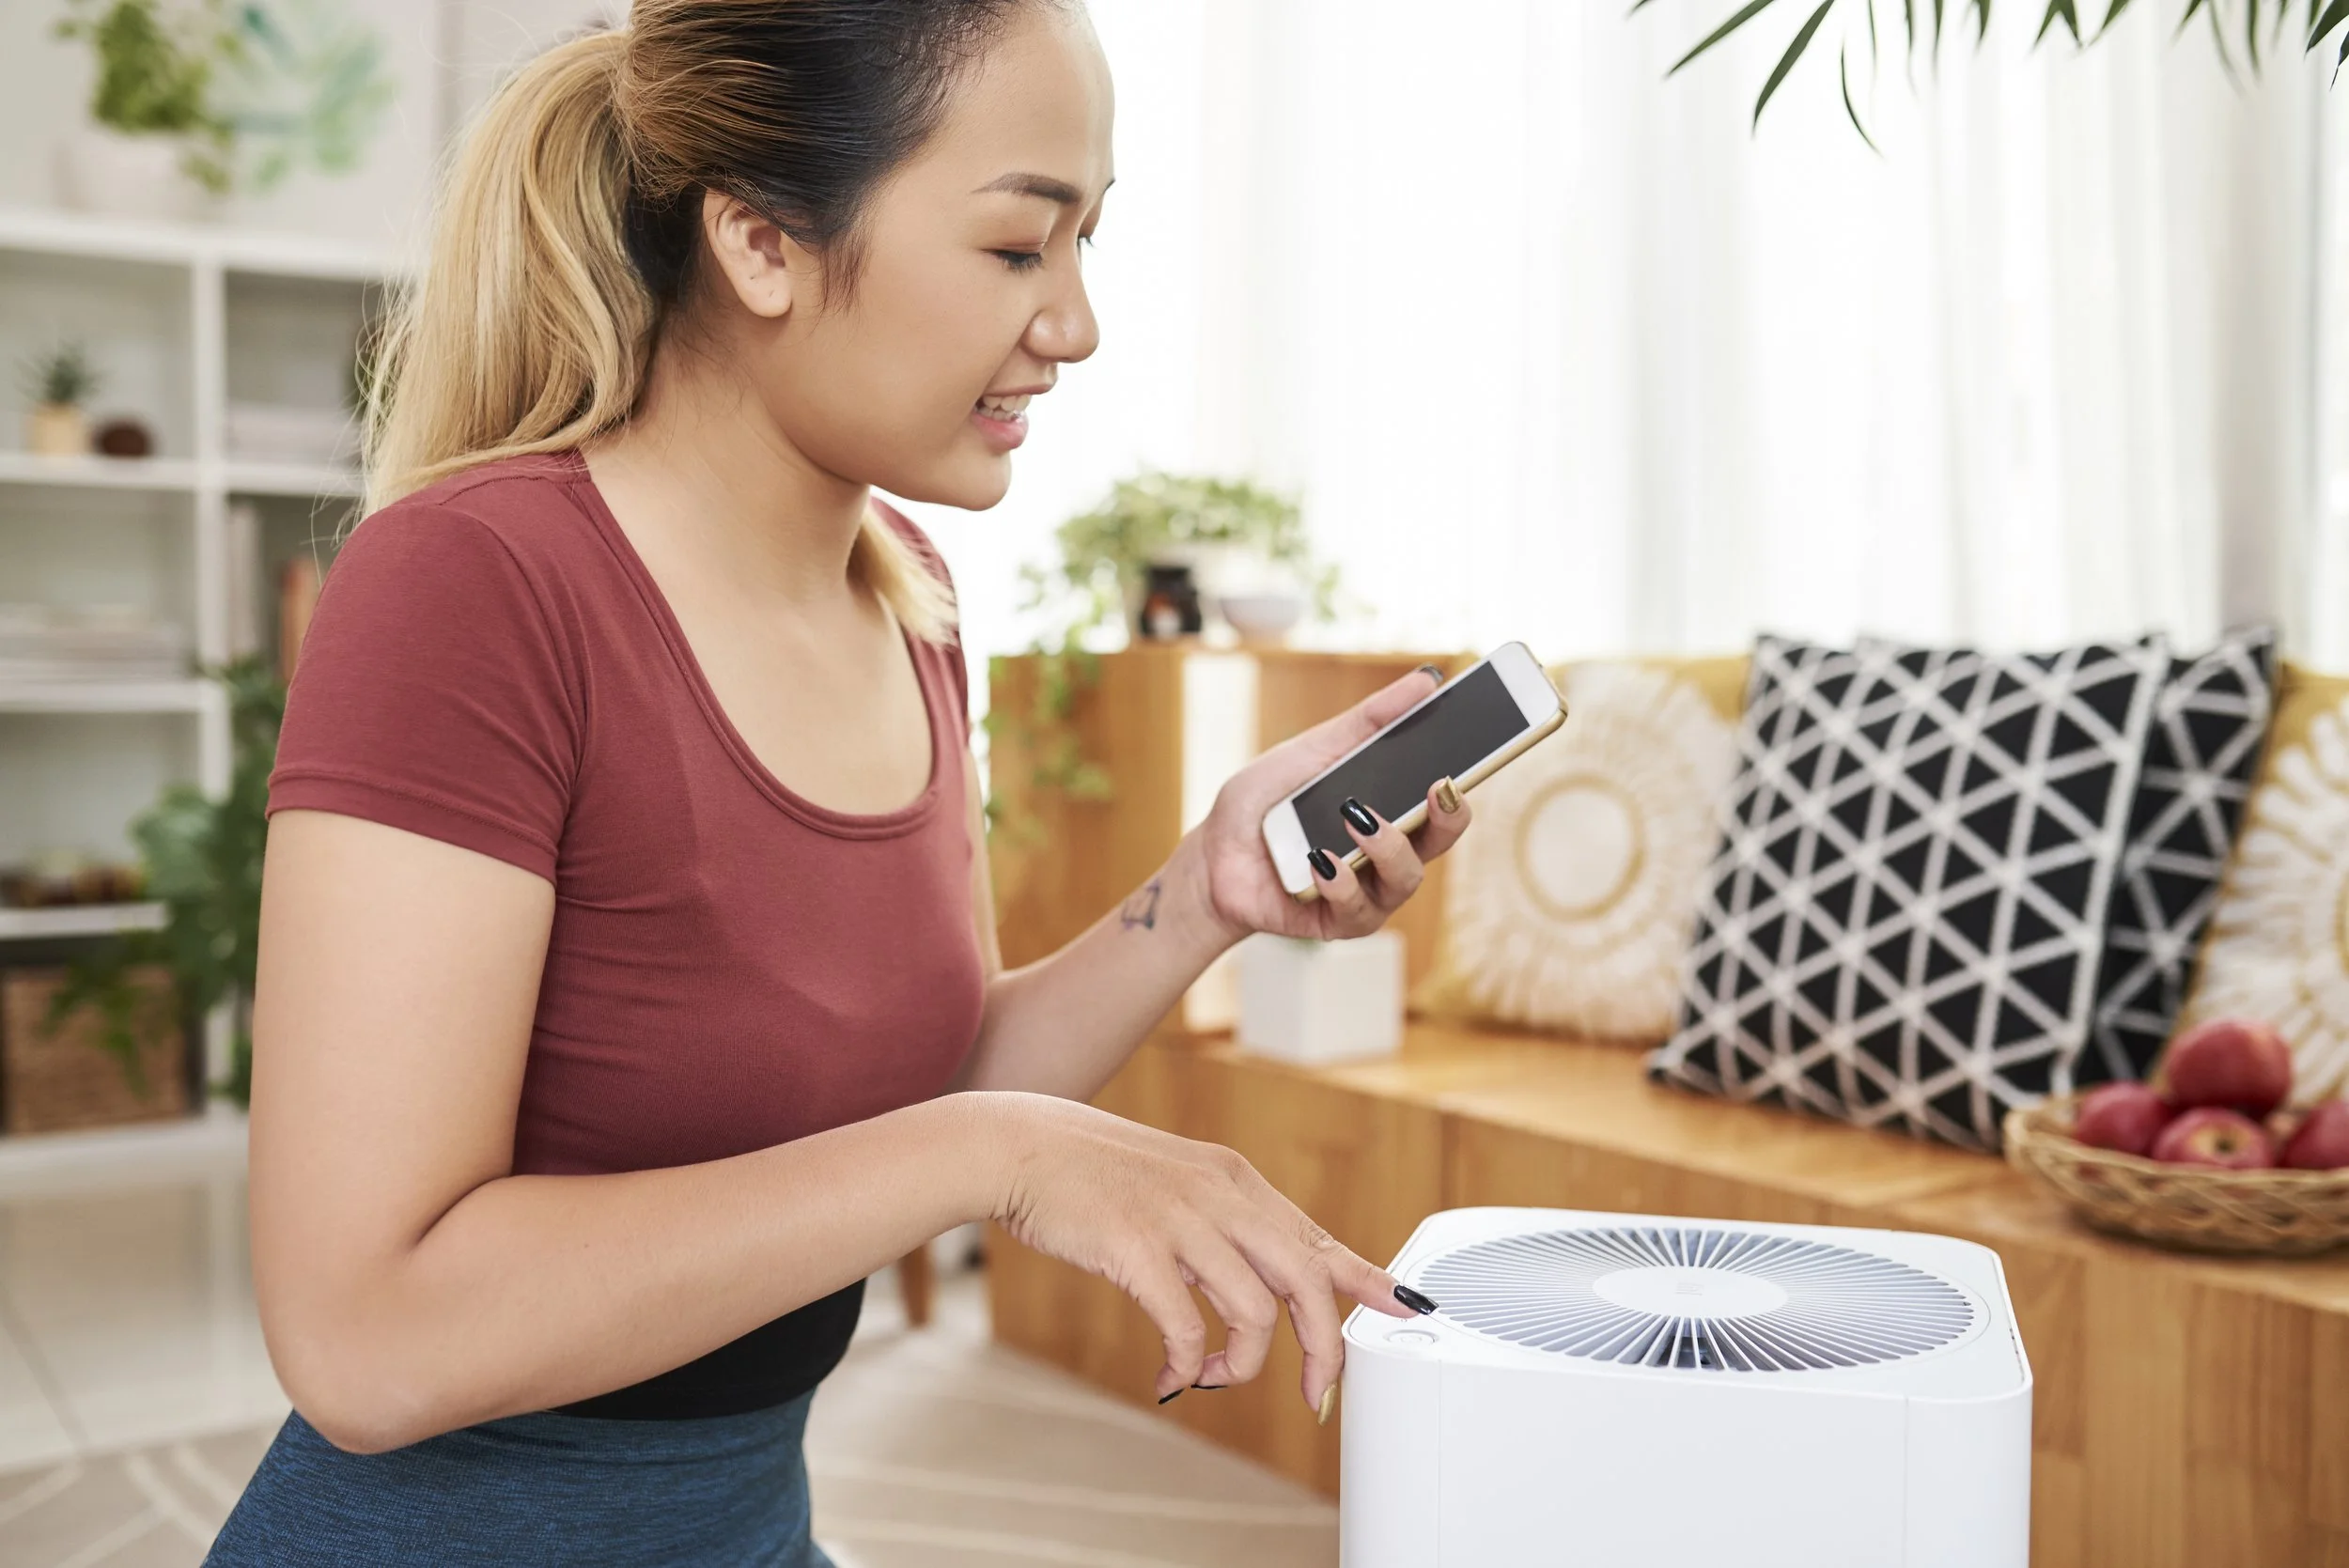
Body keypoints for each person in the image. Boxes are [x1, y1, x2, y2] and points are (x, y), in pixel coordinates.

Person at [207, 2, 1470, 1562]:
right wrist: (1001, 1159)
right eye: (1020, 248)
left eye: (1090, 245)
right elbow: (365, 1338)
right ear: (757, 245)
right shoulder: (476, 585)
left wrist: (1209, 890)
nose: (1075, 324)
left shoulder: (910, 599)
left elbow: (917, 1086)